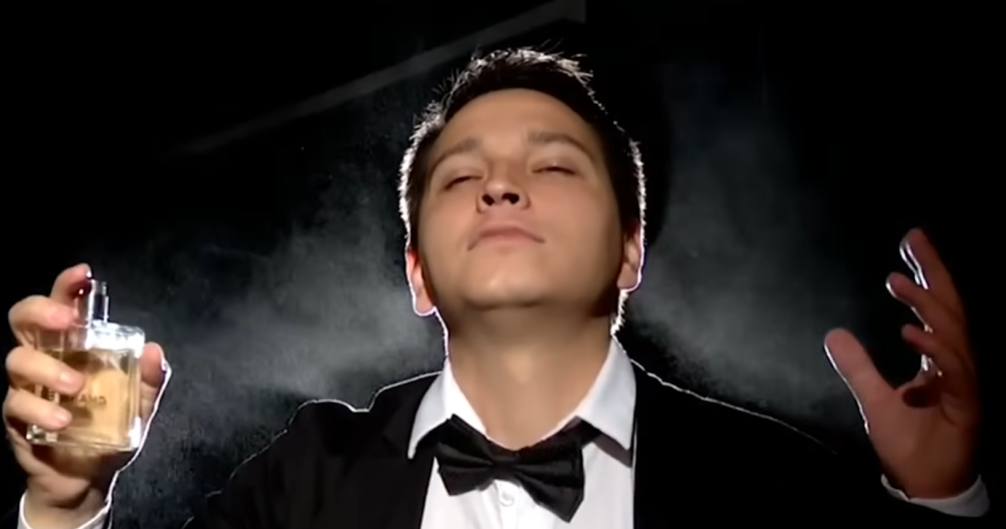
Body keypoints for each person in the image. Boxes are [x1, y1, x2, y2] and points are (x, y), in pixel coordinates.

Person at [2, 48, 991, 529]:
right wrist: (63, 502)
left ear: (630, 254)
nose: (502, 185)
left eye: (553, 165)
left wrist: (944, 500)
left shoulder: (774, 487)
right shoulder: (306, 479)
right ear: (417, 272)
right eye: (461, 175)